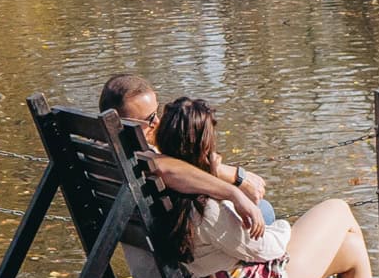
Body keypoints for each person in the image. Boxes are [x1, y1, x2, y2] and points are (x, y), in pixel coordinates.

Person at [155, 97, 379, 278]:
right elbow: (267, 248)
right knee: (338, 208)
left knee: (351, 246)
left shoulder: (173, 194)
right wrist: (284, 227)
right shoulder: (207, 207)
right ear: (205, 147)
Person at [99, 74, 270, 233]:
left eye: (157, 113)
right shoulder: (139, 159)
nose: (157, 122)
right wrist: (234, 190)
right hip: (176, 242)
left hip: (138, 237)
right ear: (122, 124)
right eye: (149, 118)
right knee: (265, 210)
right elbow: (166, 167)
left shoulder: (100, 152)